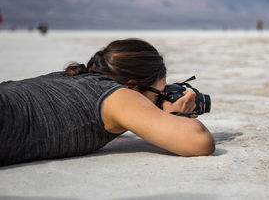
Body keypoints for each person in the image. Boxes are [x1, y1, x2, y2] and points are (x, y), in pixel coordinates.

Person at [0, 38, 215, 166]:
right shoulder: (119, 96)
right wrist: (173, 115)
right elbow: (199, 142)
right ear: (132, 86)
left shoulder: (69, 76)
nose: (161, 99)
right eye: (158, 93)